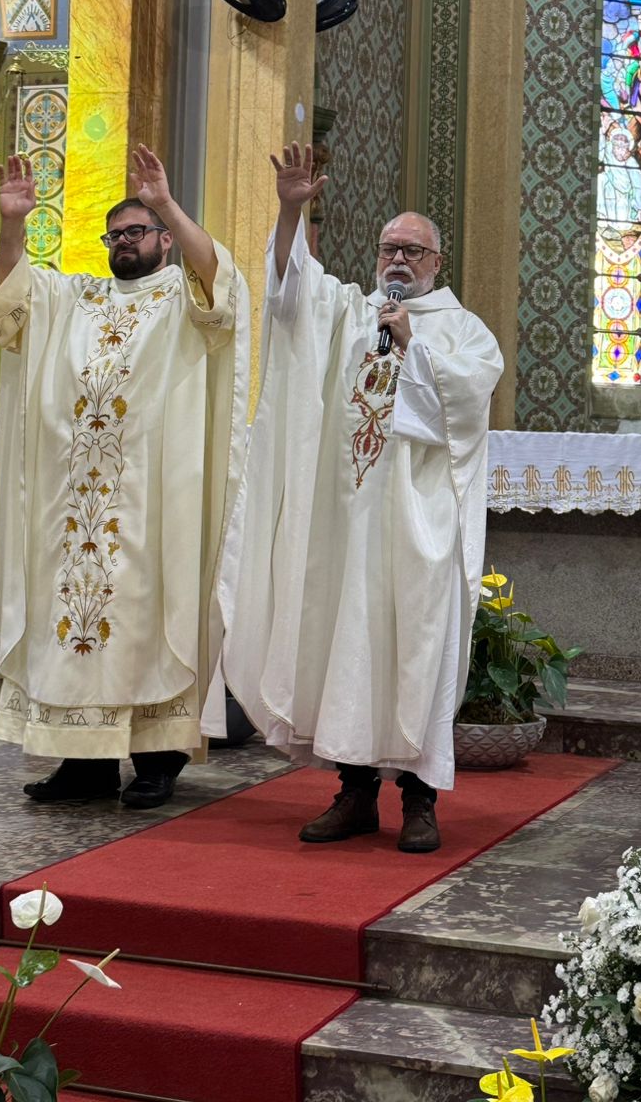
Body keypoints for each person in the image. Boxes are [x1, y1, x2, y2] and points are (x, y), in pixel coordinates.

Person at [218, 143, 502, 854]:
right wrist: (290, 210)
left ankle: (420, 800)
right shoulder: (350, 311)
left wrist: (414, 348)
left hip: (418, 526)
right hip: (346, 524)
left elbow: (467, 407)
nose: (398, 260)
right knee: (343, 645)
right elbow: (290, 297)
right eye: (389, 249)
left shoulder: (463, 330)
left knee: (416, 650)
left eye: (413, 251)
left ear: (438, 262)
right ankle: (353, 792)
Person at [0, 145, 248, 809]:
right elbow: (9, 304)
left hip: (151, 496)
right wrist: (13, 224)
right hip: (72, 503)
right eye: (114, 234)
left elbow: (222, 282)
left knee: (149, 621)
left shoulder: (182, 294)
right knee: (73, 623)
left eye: (137, 231)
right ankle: (85, 763)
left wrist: (168, 202)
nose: (124, 242)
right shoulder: (76, 296)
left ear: (164, 241)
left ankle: (157, 759)